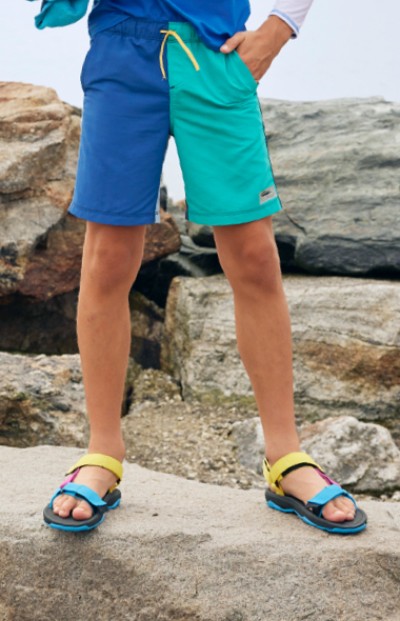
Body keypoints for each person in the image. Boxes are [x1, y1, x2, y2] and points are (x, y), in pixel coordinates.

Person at [41, 0, 367, 534]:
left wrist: (281, 26)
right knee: (107, 260)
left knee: (257, 258)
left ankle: (285, 457)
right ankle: (102, 452)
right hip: (121, 52)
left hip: (215, 54)